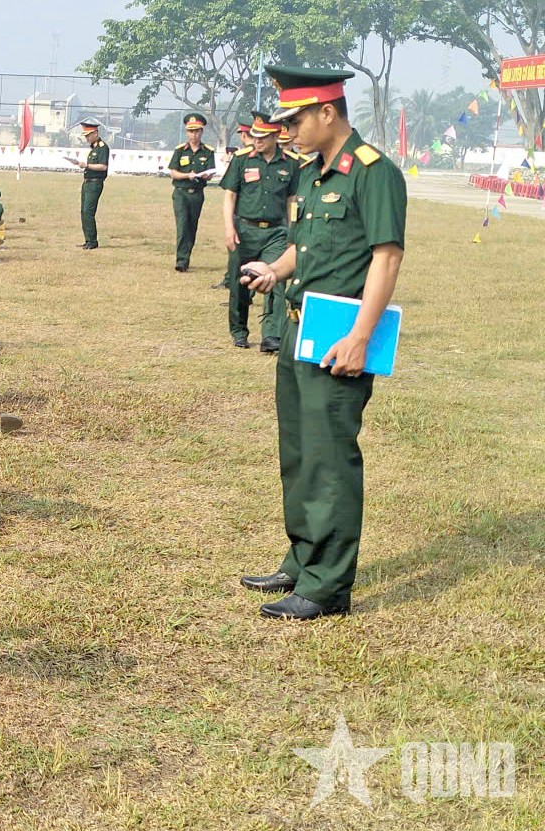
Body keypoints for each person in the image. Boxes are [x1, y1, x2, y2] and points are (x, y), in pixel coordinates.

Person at [238, 65, 406, 620]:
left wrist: (361, 337)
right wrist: (275, 271)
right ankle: (302, 557)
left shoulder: (372, 173)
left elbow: (386, 256)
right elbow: (305, 248)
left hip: (341, 340)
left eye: (297, 119)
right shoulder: (311, 175)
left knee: (331, 458)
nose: (288, 130)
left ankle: (328, 586)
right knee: (300, 453)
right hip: (297, 329)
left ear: (328, 113)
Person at [219, 111, 299, 351]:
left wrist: (291, 232)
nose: (257, 140)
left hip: (275, 232)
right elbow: (230, 195)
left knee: (275, 281)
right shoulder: (242, 159)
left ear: (276, 135)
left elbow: (292, 200)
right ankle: (239, 331)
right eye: (254, 136)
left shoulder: (291, 164)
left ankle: (271, 335)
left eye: (263, 136)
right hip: (244, 230)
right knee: (240, 282)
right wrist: (229, 227)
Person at [167, 113, 216, 271]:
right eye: (191, 131)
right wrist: (187, 175)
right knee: (182, 226)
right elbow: (173, 172)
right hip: (181, 193)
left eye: (197, 131)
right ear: (187, 132)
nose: (194, 134)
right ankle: (181, 261)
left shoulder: (207, 151)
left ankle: (186, 255)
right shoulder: (180, 150)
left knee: (192, 227)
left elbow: (210, 172)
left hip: (197, 193)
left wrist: (207, 175)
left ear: (202, 132)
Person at [215, 118, 256, 290]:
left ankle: (237, 286)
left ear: (243, 135)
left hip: (245, 213)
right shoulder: (240, 157)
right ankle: (232, 284)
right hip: (241, 212)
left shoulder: (244, 157)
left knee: (239, 254)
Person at [69, 118, 109, 249]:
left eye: (88, 135)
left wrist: (86, 165)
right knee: (83, 212)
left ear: (95, 133)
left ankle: (93, 241)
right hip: (87, 183)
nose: (86, 138)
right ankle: (88, 240)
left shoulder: (103, 148)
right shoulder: (93, 148)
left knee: (88, 211)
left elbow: (103, 166)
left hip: (95, 183)